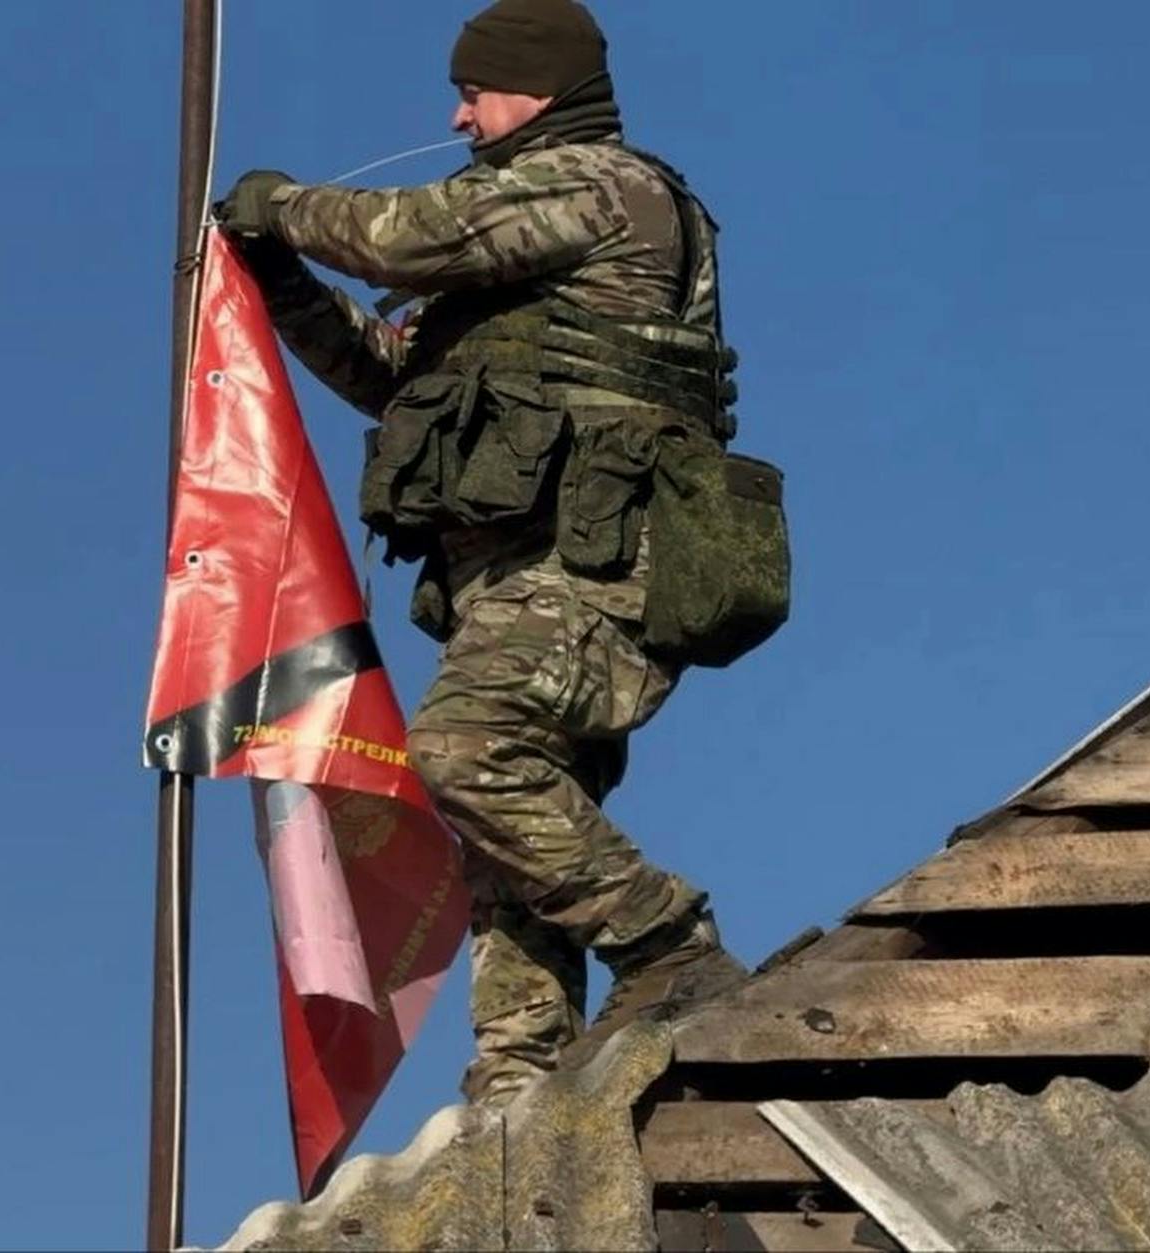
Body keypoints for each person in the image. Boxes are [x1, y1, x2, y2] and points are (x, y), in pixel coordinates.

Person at [215, 0, 755, 1108]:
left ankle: (667, 943)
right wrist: (281, 284)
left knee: (467, 753)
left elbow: (404, 235)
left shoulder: (598, 185)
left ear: (538, 89)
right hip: (517, 570)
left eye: (473, 93)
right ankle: (524, 1077)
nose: (460, 118)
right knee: (510, 834)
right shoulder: (514, 256)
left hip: (591, 560)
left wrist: (283, 207)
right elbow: (392, 377)